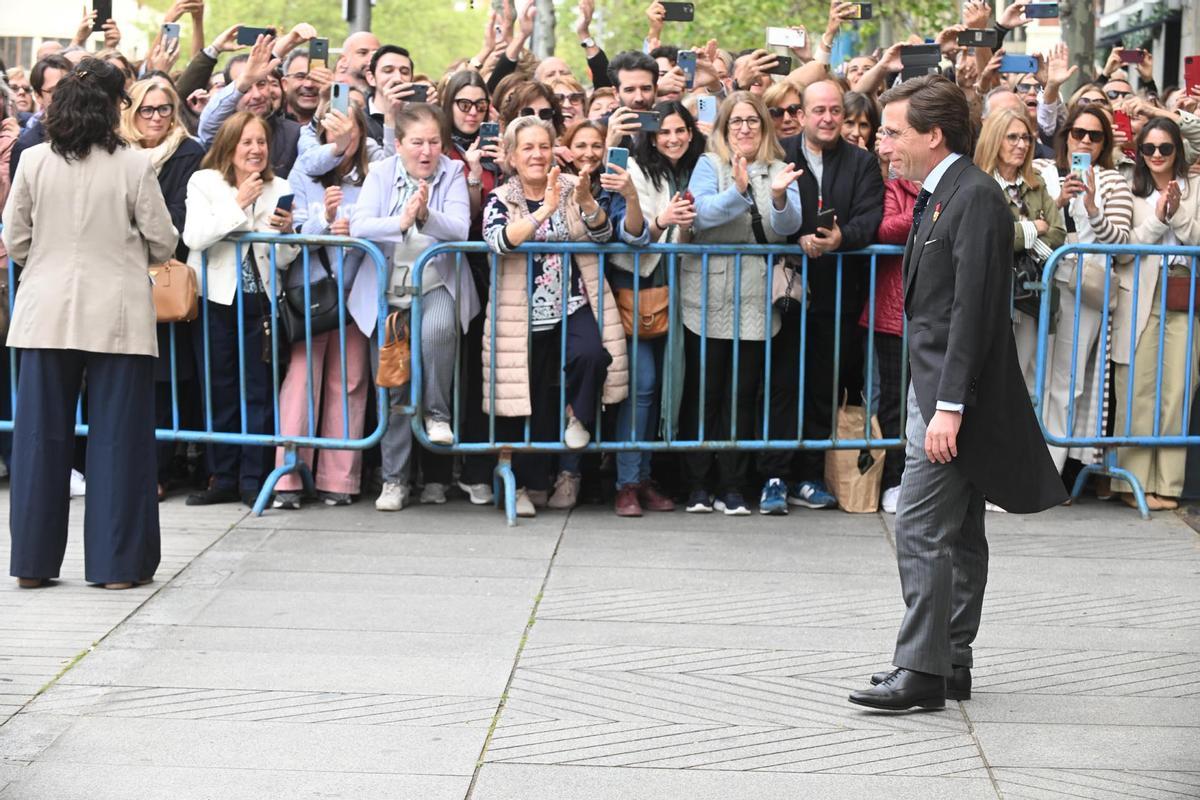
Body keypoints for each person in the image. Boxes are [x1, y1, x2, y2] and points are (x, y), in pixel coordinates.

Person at [849, 75, 1065, 712]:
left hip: (950, 397)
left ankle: (920, 669)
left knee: (919, 526)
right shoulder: (941, 194)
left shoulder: (972, 198)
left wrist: (947, 407)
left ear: (933, 135)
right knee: (961, 531)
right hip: (938, 388)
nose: (882, 143)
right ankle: (950, 660)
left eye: (893, 131)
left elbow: (973, 311)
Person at [2, 57, 178, 589]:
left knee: (37, 440)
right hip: (117, 314)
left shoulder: (32, 160)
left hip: (45, 311)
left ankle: (32, 566)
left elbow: (16, 239)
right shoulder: (133, 164)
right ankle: (117, 567)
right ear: (114, 107)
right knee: (118, 442)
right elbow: (164, 241)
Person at [482, 115, 628, 518]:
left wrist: (586, 204)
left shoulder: (569, 188)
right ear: (511, 156)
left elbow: (602, 235)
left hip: (572, 303)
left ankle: (579, 416)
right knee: (529, 402)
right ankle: (526, 486)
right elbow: (497, 241)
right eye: (527, 147)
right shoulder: (502, 197)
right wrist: (541, 212)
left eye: (543, 146)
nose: (536, 154)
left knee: (594, 357)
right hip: (521, 314)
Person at [764, 79, 884, 514]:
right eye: (819, 110)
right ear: (803, 114)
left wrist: (840, 238)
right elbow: (766, 214)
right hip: (787, 292)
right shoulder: (779, 154)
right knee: (781, 384)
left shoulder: (863, 162)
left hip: (839, 292)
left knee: (823, 387)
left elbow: (872, 215)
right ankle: (776, 474)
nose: (829, 118)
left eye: (835, 110)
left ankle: (811, 477)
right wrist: (797, 237)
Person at [350, 104, 477, 511]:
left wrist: (426, 213)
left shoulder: (453, 172)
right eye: (418, 143)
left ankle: (438, 414)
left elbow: (460, 227)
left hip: (437, 282)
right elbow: (359, 225)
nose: (427, 151)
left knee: (438, 331)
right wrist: (401, 221)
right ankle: (394, 480)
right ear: (399, 144)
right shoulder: (381, 173)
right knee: (392, 384)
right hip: (386, 293)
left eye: (434, 142)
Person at [682, 91, 803, 516]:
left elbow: (787, 229)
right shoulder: (707, 165)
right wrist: (737, 189)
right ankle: (698, 483)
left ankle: (733, 484)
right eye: (736, 122)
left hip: (755, 295)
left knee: (742, 392)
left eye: (753, 121)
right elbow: (701, 214)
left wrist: (781, 197)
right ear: (724, 127)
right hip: (707, 295)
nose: (745, 128)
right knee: (706, 391)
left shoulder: (778, 168)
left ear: (764, 128)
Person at [182, 111, 300, 506]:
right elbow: (196, 237)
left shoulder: (280, 186)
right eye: (247, 142)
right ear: (229, 146)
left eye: (261, 142)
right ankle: (223, 476)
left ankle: (254, 478)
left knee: (258, 390)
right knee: (219, 389)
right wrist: (239, 204)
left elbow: (283, 260)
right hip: (216, 298)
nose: (255, 150)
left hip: (261, 301)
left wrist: (287, 234)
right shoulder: (204, 182)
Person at [272, 102, 375, 510]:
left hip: (355, 292)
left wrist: (355, 231)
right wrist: (325, 223)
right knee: (301, 381)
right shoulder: (304, 171)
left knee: (349, 382)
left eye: (348, 126)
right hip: (309, 292)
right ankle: (290, 476)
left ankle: (340, 479)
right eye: (332, 127)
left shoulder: (372, 176)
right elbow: (290, 230)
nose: (341, 134)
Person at [610, 100, 706, 516]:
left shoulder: (701, 168)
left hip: (686, 286)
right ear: (651, 136)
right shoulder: (632, 168)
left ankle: (645, 477)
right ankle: (626, 482)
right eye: (664, 132)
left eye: (680, 130)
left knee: (669, 386)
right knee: (643, 385)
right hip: (642, 285)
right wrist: (663, 219)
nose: (672, 138)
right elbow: (627, 234)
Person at [118, 77, 206, 501]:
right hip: (120, 281)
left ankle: (161, 468)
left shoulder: (189, 152)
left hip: (166, 279)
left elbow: (177, 216)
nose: (155, 118)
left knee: (167, 378)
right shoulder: (115, 151)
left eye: (164, 109)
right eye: (146, 110)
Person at [1033, 106, 1134, 477]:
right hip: (1037, 284)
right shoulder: (1044, 172)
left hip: (1083, 289)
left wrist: (1092, 208)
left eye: (1095, 136)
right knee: (1031, 376)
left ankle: (1049, 471)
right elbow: (1033, 218)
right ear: (1066, 136)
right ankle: (1021, 464)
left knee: (1066, 380)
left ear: (1105, 142)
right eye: (1078, 133)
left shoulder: (1114, 181)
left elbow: (1122, 245)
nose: (1085, 141)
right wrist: (1059, 201)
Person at [1113, 118, 1200, 511]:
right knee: (1136, 387)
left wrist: (1178, 212)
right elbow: (1124, 247)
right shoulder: (1128, 187)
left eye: (1166, 148)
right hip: (1141, 293)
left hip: (1185, 291)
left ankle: (1167, 485)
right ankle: (1131, 482)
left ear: (1178, 151)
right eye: (1150, 148)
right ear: (1140, 152)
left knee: (1178, 388)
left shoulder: (1195, 185)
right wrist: (1158, 218)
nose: (1158, 155)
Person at [974, 107, 1066, 389]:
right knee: (989, 374)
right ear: (994, 140)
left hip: (1028, 293)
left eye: (1026, 137)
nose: (1022, 144)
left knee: (1023, 373)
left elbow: (1059, 233)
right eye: (1012, 137)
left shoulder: (1036, 185)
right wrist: (1033, 228)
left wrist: (1017, 236)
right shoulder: (980, 183)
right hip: (989, 292)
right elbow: (986, 234)